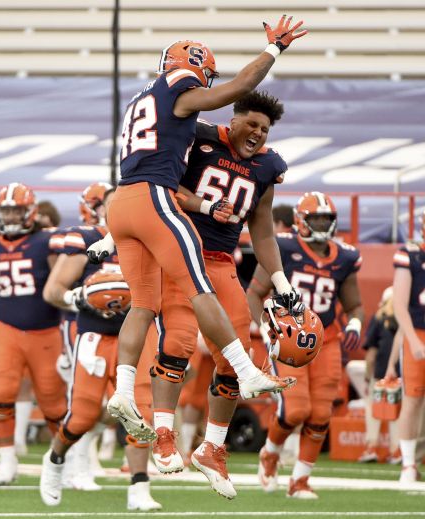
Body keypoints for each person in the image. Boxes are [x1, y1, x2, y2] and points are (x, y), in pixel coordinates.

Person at [86, 17, 307, 443]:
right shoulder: (178, 95)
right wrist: (275, 49)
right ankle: (246, 370)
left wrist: (110, 236)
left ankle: (125, 391)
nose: (206, 85)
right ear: (192, 69)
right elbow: (239, 88)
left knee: (144, 305)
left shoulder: (139, 100)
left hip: (123, 202)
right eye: (204, 76)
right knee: (199, 287)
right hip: (155, 198)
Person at [144, 91, 295, 499]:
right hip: (180, 252)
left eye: (265, 129)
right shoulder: (200, 139)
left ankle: (212, 446)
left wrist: (280, 282)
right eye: (252, 125)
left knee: (237, 354)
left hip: (222, 262)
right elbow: (161, 190)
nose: (258, 134)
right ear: (235, 119)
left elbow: (262, 229)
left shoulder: (267, 166)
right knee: (176, 341)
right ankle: (163, 434)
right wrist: (206, 206)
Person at [39, 186, 160, 511]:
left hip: (136, 338)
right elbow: (53, 291)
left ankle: (139, 488)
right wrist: (77, 298)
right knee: (82, 417)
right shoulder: (86, 238)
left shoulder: (149, 240)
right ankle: (54, 460)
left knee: (141, 413)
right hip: (95, 337)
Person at [247, 191, 364, 498]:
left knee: (322, 413)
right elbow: (254, 292)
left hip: (327, 339)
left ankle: (300, 481)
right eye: (317, 219)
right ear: (301, 221)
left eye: (327, 219)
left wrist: (355, 322)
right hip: (287, 341)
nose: (323, 224)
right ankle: (270, 452)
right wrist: (263, 325)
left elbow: (354, 304)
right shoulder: (283, 247)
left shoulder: (345, 258)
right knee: (296, 410)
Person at [0, 182, 67, 485]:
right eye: (7, 211)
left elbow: (61, 282)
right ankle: (6, 459)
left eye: (17, 210)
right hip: (7, 329)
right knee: (0, 393)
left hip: (46, 332)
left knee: (54, 402)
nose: (11, 216)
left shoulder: (47, 242)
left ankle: (60, 460)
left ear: (31, 212)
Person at [392, 211, 425, 482]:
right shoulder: (411, 254)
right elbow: (400, 305)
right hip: (418, 332)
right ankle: (408, 465)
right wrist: (413, 340)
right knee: (412, 399)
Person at [357, 286, 400, 463]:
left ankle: (371, 447)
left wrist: (368, 377)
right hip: (402, 373)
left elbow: (371, 354)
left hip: (381, 373)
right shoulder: (408, 319)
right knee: (398, 412)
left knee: (373, 411)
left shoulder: (378, 318)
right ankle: (397, 451)